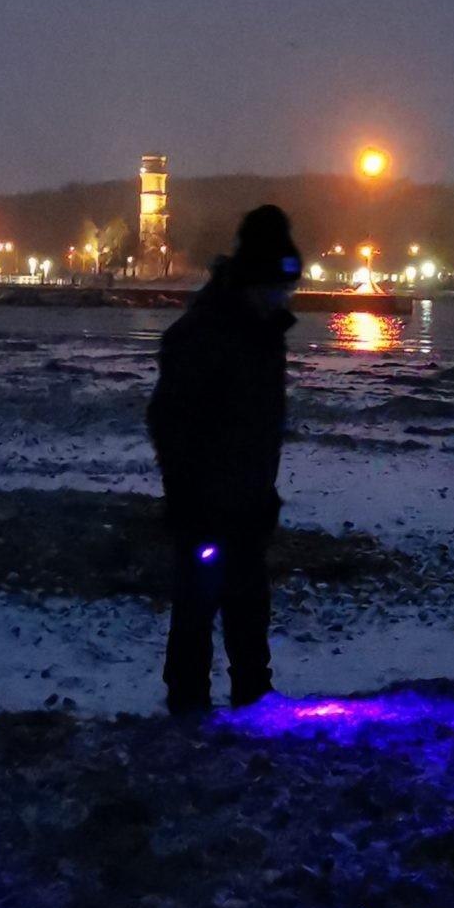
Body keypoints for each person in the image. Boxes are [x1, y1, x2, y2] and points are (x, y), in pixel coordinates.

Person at [147, 205, 301, 713]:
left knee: (249, 603)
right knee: (197, 605)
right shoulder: (205, 333)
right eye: (279, 287)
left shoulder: (264, 333)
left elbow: (259, 425)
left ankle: (253, 696)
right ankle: (188, 705)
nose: (285, 296)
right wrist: (189, 492)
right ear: (253, 280)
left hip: (248, 497)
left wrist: (262, 492)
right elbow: (170, 420)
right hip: (204, 502)